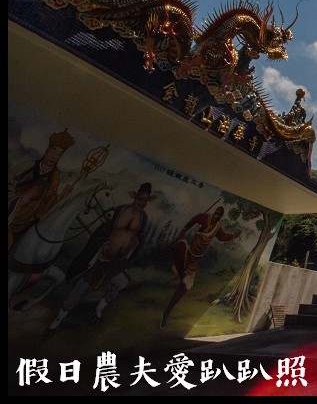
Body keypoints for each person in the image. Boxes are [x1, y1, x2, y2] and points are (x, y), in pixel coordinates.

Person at [44, 182, 155, 338]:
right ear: (135, 197)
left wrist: (134, 247)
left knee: (121, 282)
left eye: (145, 200)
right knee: (82, 286)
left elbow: (139, 237)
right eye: (140, 198)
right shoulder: (120, 210)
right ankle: (57, 320)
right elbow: (105, 228)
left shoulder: (144, 217)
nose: (141, 202)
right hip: (103, 255)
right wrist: (103, 245)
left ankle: (98, 309)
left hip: (119, 260)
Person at [160, 205, 240, 329]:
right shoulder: (204, 218)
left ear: (220, 217)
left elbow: (223, 237)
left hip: (195, 260)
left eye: (219, 214)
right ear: (214, 212)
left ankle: (167, 312)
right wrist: (184, 229)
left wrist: (233, 236)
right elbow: (195, 219)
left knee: (186, 286)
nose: (216, 215)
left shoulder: (217, 228)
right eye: (216, 213)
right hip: (189, 251)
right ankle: (180, 271)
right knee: (180, 245)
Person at [8, 129, 76, 251]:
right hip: (11, 213)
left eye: (59, 154)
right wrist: (19, 200)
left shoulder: (55, 176)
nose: (54, 157)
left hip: (29, 222)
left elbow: (49, 203)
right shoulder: (27, 166)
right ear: (46, 151)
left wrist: (62, 197)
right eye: (53, 151)